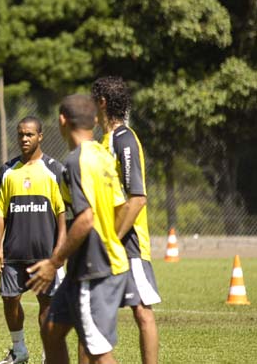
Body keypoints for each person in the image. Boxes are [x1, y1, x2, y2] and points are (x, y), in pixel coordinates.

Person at [27, 94, 130, 364]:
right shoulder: (103, 156)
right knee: (51, 329)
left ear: (62, 120)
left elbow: (85, 219)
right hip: (85, 267)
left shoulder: (76, 162)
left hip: (94, 269)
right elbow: (121, 207)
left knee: (98, 352)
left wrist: (54, 262)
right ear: (94, 121)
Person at [92, 76, 161, 364]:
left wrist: (112, 238)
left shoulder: (124, 140)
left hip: (128, 242)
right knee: (93, 313)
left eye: (93, 101)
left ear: (102, 103)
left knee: (142, 312)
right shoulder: (101, 142)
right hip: (106, 240)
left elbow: (137, 198)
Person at [0, 116, 67, 364]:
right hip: (13, 253)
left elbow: (62, 214)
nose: (24, 139)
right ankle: (19, 350)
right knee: (9, 299)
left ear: (40, 136)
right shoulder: (6, 170)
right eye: (21, 134)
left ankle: (49, 354)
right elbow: (0, 212)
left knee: (47, 304)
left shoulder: (54, 170)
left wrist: (59, 251)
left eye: (29, 134)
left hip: (44, 255)